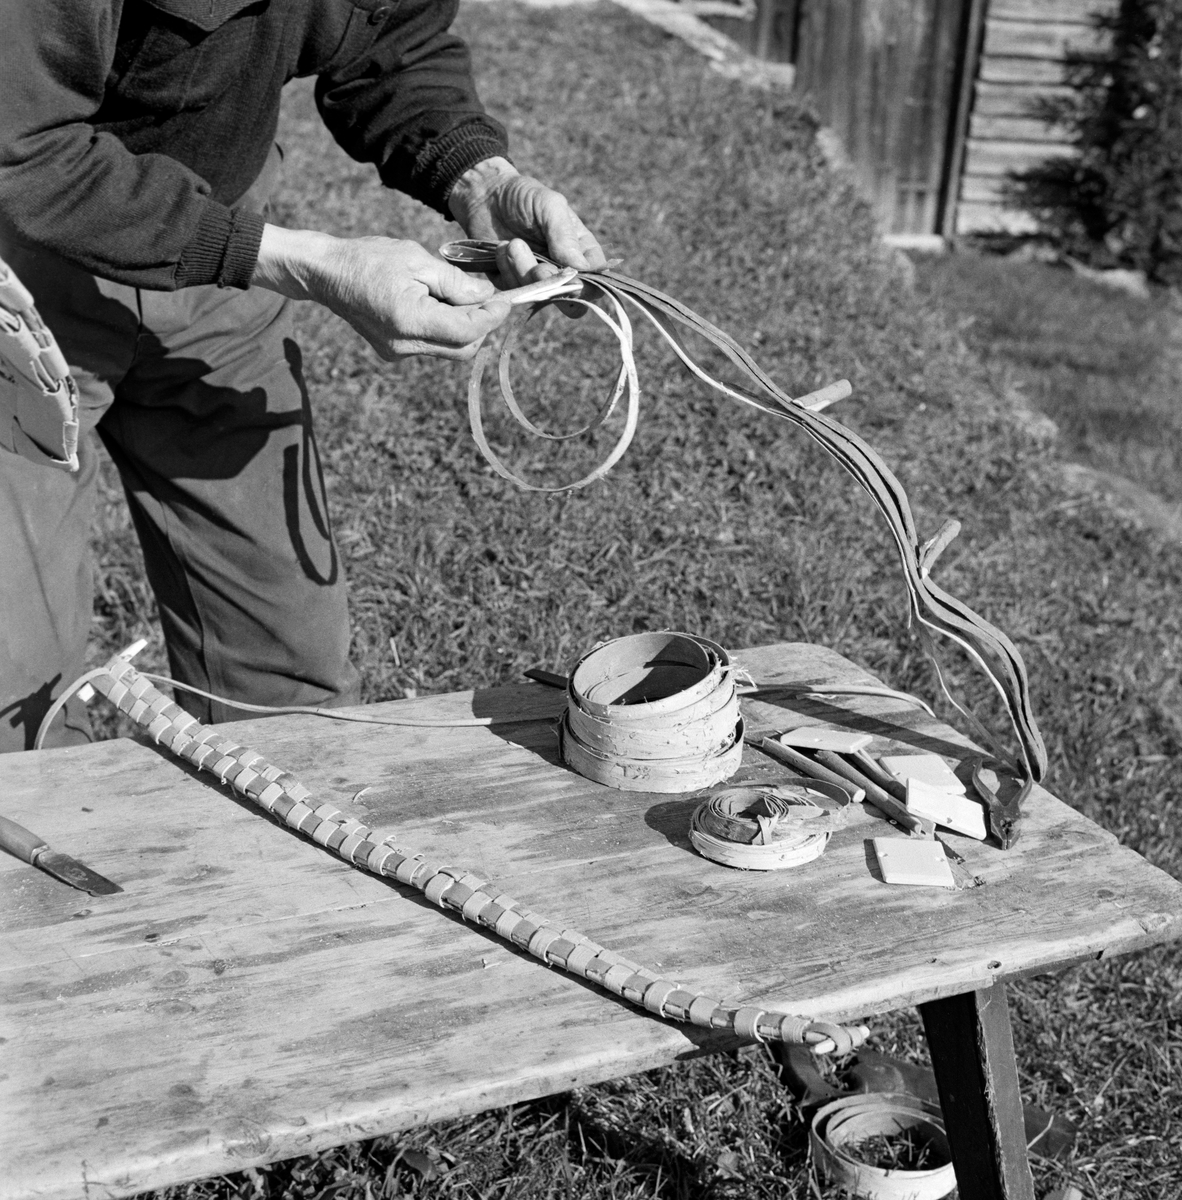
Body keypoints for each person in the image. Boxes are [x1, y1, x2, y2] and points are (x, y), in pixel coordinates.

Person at [0, 0, 606, 754]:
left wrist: (480, 180)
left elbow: (394, 37)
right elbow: (20, 150)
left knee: (291, 708)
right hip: (18, 262)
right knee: (13, 716)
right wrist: (302, 262)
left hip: (216, 249)